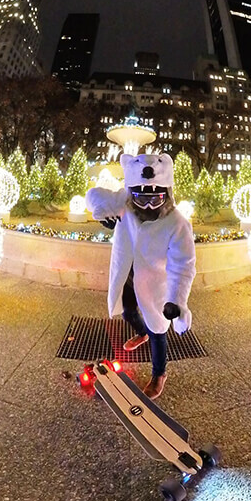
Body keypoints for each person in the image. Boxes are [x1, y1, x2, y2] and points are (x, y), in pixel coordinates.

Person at [86, 153, 197, 400]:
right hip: (128, 274)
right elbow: (93, 196)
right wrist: (102, 212)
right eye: (141, 198)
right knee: (128, 312)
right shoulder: (125, 203)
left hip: (155, 283)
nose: (147, 205)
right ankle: (141, 332)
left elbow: (183, 265)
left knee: (158, 328)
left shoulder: (177, 223)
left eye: (154, 198)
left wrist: (177, 301)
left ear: (166, 192)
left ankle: (159, 373)